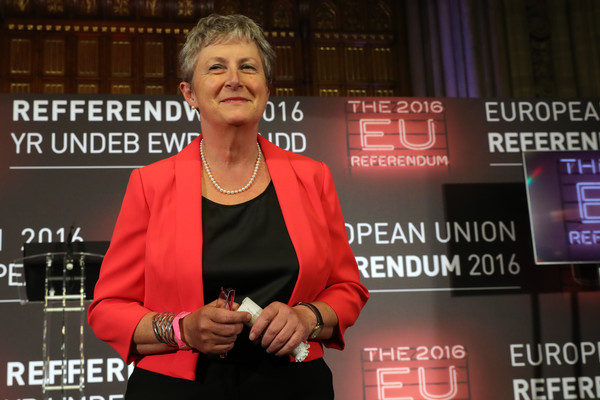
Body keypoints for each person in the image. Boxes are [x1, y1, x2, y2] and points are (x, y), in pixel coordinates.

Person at [87, 13, 369, 399]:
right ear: (189, 93)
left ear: (266, 89)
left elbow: (347, 289)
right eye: (216, 67)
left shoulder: (312, 177)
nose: (234, 79)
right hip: (176, 391)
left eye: (248, 67)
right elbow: (108, 308)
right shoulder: (150, 184)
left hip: (295, 387)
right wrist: (182, 329)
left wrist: (307, 317)